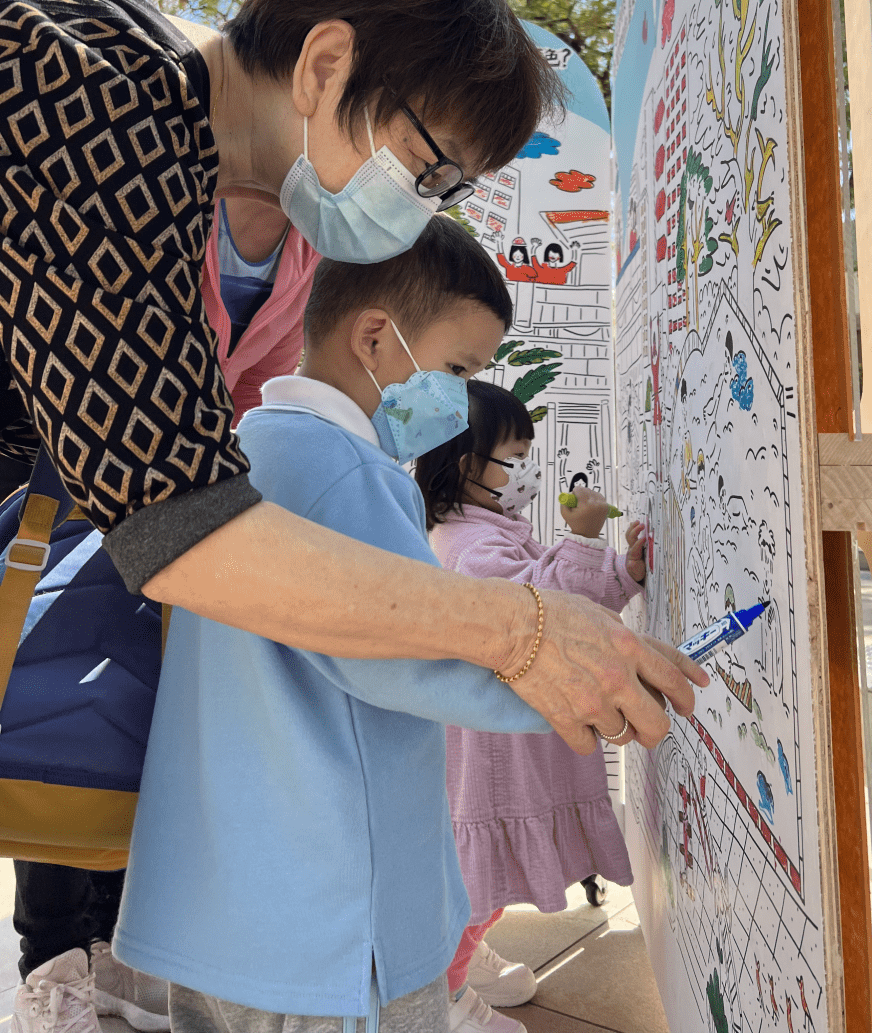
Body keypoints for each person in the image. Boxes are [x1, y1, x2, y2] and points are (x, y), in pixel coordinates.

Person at [0, 0, 698, 759]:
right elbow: (177, 525)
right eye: (427, 168)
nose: (421, 211)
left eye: (451, 193)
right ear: (325, 66)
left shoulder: (167, 148)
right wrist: (521, 631)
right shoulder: (101, 100)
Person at [111, 217, 555, 1033]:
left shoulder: (249, 446)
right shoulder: (342, 466)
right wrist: (566, 686)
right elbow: (400, 657)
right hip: (332, 920)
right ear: (377, 339)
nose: (459, 397)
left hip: (230, 908)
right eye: (456, 368)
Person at [11, 197, 321, 1032]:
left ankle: (114, 949)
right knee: (59, 711)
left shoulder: (306, 247)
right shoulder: (171, 179)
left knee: (135, 721)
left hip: (186, 509)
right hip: (80, 472)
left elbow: (254, 379)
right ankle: (49, 961)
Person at [415, 382, 686, 1032]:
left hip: (505, 742)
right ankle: (440, 999)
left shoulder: (489, 527)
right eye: (515, 455)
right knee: (476, 882)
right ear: (465, 467)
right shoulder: (465, 544)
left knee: (486, 881)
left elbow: (572, 611)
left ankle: (462, 961)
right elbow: (538, 614)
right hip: (490, 755)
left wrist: (624, 574)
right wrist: (584, 541)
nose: (530, 470)